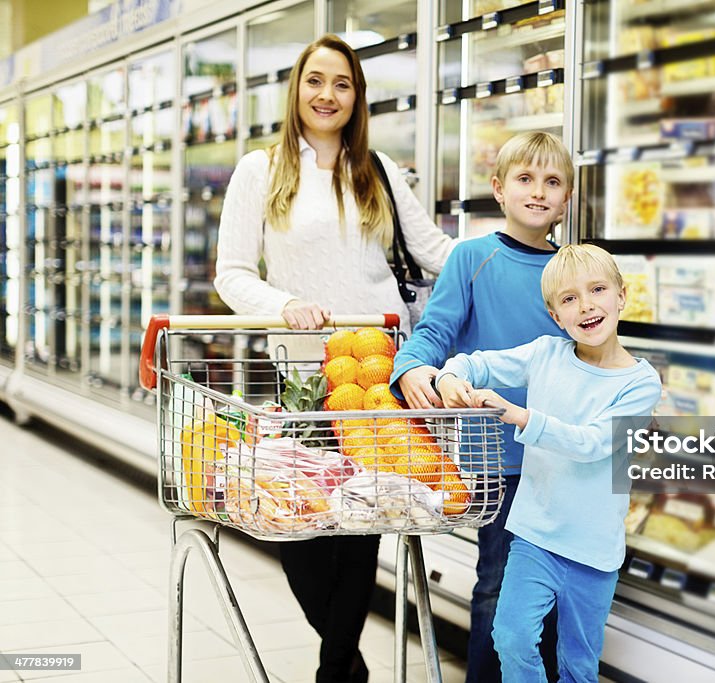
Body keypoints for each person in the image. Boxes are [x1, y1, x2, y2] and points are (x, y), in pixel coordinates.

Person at [214, 34, 454, 683]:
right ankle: (345, 665)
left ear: (357, 96)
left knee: (361, 523)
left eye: (342, 84)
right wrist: (284, 300)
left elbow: (435, 251)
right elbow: (232, 273)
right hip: (302, 372)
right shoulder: (259, 171)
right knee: (301, 532)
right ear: (296, 88)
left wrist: (519, 246)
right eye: (316, 80)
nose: (328, 94)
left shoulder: (377, 170)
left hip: (378, 371)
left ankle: (335, 675)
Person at [388, 131, 573, 681]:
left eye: (552, 182)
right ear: (498, 188)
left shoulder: (572, 268)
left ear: (566, 198)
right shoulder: (473, 257)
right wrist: (414, 368)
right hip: (499, 458)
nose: (538, 192)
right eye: (525, 179)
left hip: (562, 455)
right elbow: (433, 333)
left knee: (557, 589)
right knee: (499, 582)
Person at [435, 244, 662, 682]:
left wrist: (518, 414)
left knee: (578, 662)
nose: (587, 305)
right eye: (569, 299)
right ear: (557, 316)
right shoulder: (544, 354)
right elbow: (475, 363)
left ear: (622, 295)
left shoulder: (640, 382)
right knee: (511, 638)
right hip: (535, 534)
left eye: (597, 289)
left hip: (593, 548)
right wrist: (449, 376)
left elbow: (594, 443)